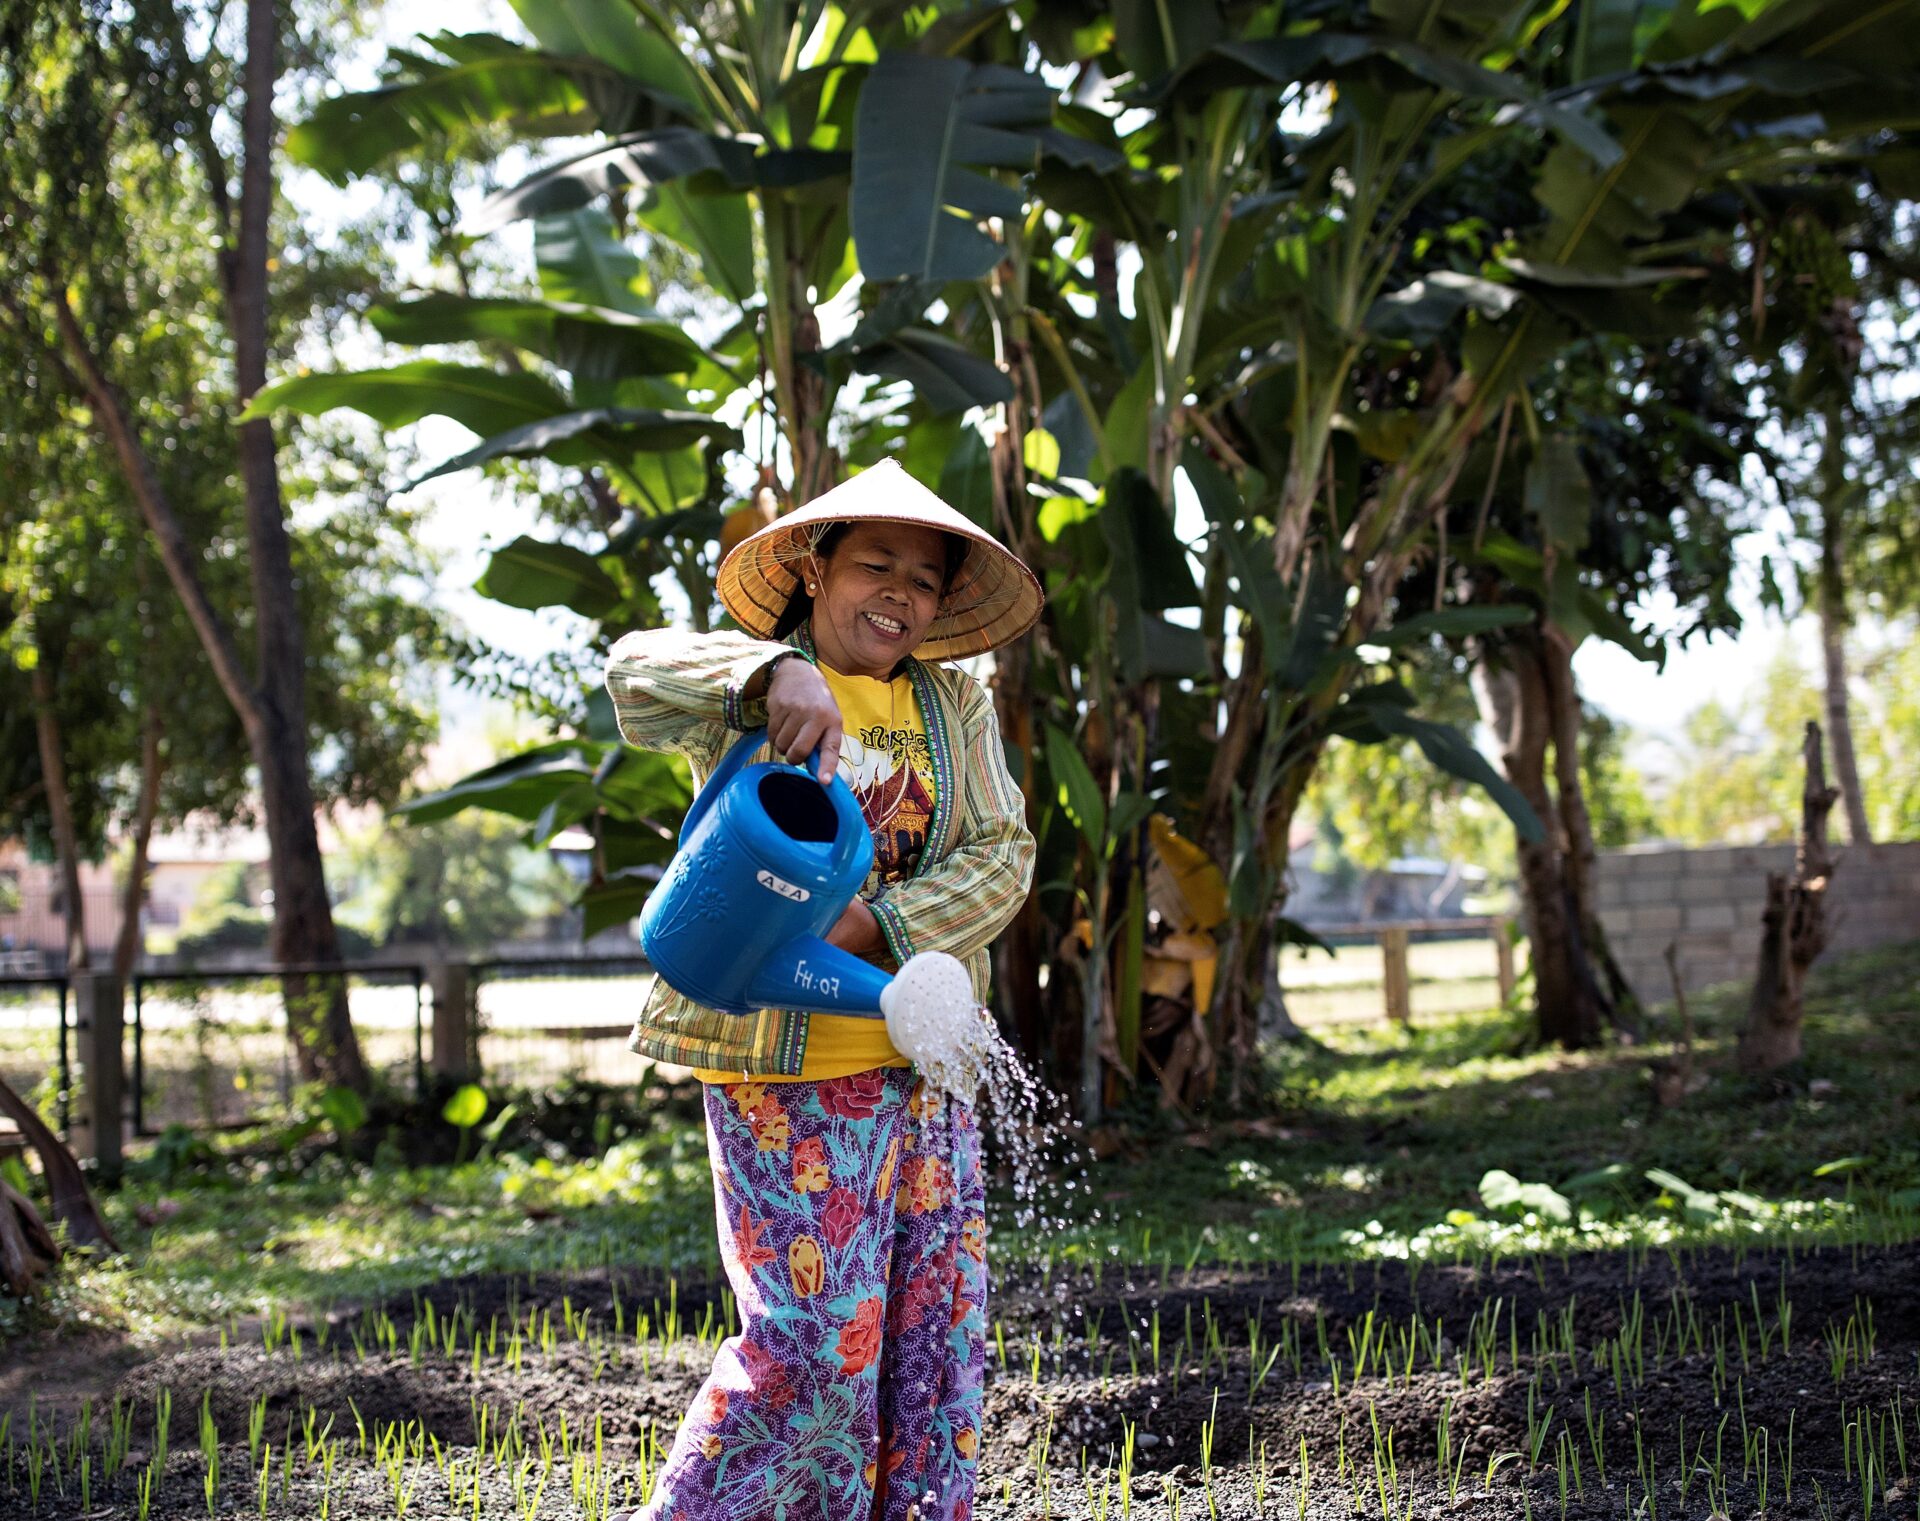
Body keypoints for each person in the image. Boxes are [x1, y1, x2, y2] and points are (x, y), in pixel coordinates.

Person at [603, 457, 1043, 1521]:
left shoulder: (955, 706)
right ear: (815, 566)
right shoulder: (757, 687)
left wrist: (875, 924)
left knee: (923, 1353)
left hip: (923, 1070)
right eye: (875, 563)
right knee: (807, 1342)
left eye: (925, 579)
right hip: (786, 1073)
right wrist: (770, 678)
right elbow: (630, 670)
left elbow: (1002, 852)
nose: (900, 591)